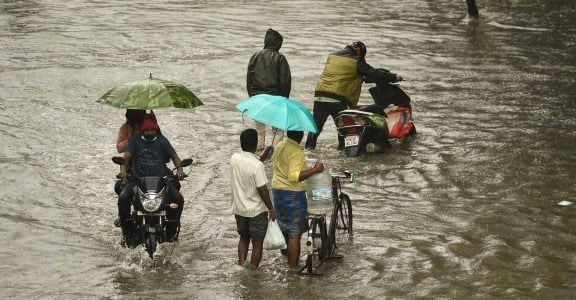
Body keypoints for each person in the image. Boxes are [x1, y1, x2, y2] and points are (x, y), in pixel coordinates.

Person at [305, 41, 403, 150]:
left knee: (315, 127)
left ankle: (308, 149)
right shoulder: (356, 61)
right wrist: (394, 77)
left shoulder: (332, 57)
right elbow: (373, 73)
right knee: (345, 128)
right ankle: (343, 150)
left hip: (320, 96)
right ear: (358, 51)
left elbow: (345, 75)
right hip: (338, 98)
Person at [117, 115, 185, 243]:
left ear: (156, 130)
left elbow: (174, 156)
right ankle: (126, 232)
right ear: (142, 130)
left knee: (178, 199)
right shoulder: (134, 141)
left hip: (162, 180)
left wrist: (180, 169)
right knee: (123, 198)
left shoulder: (162, 141)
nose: (150, 133)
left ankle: (171, 231)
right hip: (137, 179)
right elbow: (126, 158)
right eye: (147, 130)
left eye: (152, 130)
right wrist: (123, 172)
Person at [271, 130, 324, 268]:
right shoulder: (296, 152)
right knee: (295, 234)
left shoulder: (279, 146)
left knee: (284, 228)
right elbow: (294, 177)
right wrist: (315, 170)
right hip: (292, 194)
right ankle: (292, 270)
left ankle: (285, 260)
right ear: (301, 136)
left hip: (277, 192)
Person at [230, 129, 276, 268]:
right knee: (257, 243)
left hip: (239, 209)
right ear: (256, 144)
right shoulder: (257, 166)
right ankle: (253, 271)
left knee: (243, 238)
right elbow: (262, 189)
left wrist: (262, 157)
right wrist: (271, 208)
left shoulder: (234, 159)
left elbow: (249, 165)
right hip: (256, 211)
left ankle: (241, 265)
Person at [246, 28, 292, 150]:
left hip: (257, 98)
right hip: (275, 98)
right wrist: (285, 98)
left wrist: (252, 96)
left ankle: (259, 149)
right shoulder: (280, 58)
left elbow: (249, 79)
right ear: (278, 43)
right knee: (277, 130)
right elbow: (285, 81)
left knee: (259, 130)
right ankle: (275, 152)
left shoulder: (254, 56)